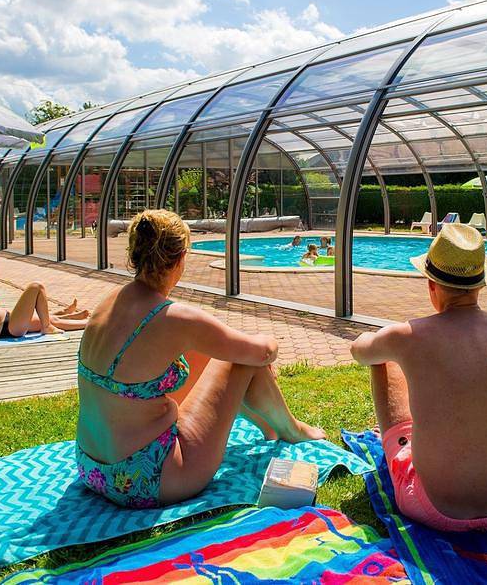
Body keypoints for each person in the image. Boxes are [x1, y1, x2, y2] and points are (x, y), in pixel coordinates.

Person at [75, 209, 324, 509]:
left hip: (94, 468)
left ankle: (270, 427)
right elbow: (261, 352)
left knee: (216, 350)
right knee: (243, 358)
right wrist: (269, 343)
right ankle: (291, 430)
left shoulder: (109, 303)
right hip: (147, 479)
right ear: (181, 258)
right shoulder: (173, 317)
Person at [351, 224, 487, 532]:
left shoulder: (407, 336)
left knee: (383, 360)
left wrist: (379, 339)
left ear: (431, 284)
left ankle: (399, 435)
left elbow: (360, 352)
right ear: (481, 285)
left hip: (436, 509)